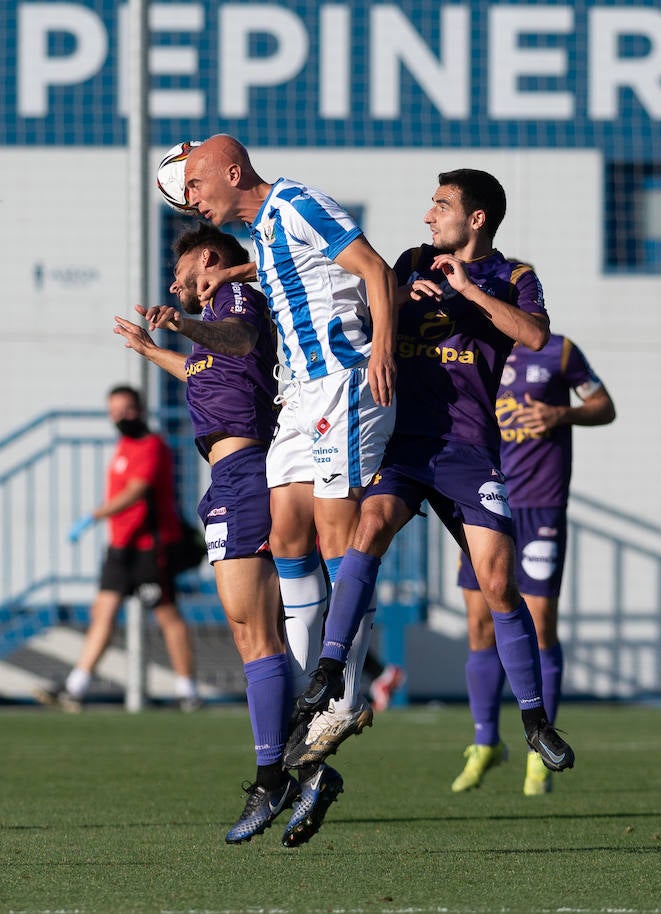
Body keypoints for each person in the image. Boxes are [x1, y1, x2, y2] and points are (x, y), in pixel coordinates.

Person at [290, 169, 576, 781]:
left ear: (475, 219)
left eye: (440, 205)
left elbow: (534, 335)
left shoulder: (513, 276)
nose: (428, 216)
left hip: (470, 453)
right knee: (367, 527)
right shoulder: (414, 259)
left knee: (498, 585)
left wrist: (469, 291)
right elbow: (369, 312)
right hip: (407, 444)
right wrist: (397, 298)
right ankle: (330, 668)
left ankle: (532, 720)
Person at [181, 134, 398, 843]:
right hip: (297, 396)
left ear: (232, 171)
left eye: (195, 184)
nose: (191, 199)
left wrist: (384, 349)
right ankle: (317, 700)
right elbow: (280, 271)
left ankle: (341, 691)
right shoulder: (265, 231)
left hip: (342, 379)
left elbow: (372, 268)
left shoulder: (298, 201)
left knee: (337, 531)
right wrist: (235, 269)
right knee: (286, 536)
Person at [113, 223, 302, 845]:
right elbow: (203, 367)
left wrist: (182, 323)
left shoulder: (235, 300)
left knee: (257, 632)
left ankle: (279, 775)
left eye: (182, 267)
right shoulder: (209, 321)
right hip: (226, 478)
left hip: (248, 471)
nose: (175, 281)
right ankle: (294, 772)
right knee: (250, 632)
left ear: (210, 258)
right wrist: (152, 351)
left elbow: (240, 339)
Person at [451, 334, 615, 795]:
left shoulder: (558, 352)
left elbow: (605, 405)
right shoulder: (469, 346)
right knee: (480, 624)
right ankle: (485, 742)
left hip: (540, 506)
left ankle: (538, 749)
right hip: (482, 501)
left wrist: (562, 414)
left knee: (539, 622)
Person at [38, 385, 201, 711]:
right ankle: (75, 688)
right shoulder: (124, 446)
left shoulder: (152, 446)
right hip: (120, 548)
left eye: (125, 410)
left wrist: (93, 515)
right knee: (103, 614)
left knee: (168, 616)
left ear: (139, 409)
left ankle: (187, 691)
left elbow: (136, 491)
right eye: (113, 413)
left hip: (150, 548)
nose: (120, 418)